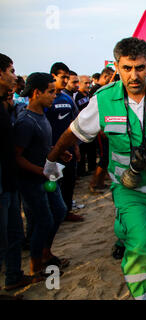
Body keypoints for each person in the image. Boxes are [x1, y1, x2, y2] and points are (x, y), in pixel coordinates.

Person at [43, 37, 146, 300]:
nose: (134, 75)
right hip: (130, 190)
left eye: (139, 67)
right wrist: (52, 159)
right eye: (127, 68)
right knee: (140, 244)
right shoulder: (103, 100)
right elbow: (74, 133)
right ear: (117, 66)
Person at [14, 72, 71, 278]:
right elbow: (17, 157)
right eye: (51, 92)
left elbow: (41, 146)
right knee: (43, 220)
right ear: (36, 93)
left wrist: (57, 150)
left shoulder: (42, 116)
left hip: (47, 176)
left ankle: (46, 253)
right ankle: (36, 264)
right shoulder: (25, 122)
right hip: (32, 182)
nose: (54, 96)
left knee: (60, 210)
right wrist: (41, 171)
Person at [0, 53, 35, 292]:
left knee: (13, 235)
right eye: (11, 70)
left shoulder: (6, 105)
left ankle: (14, 277)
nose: (15, 75)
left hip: (9, 182)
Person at [48, 62, 83, 222]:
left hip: (69, 151)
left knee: (69, 182)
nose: (65, 81)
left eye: (67, 78)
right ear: (53, 76)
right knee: (53, 183)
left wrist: (75, 146)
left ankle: (66, 211)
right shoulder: (45, 99)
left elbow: (73, 124)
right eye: (63, 77)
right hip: (53, 152)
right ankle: (53, 214)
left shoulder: (67, 98)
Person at [88, 67, 115, 193]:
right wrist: (100, 129)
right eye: (111, 77)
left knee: (107, 157)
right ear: (106, 76)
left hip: (107, 127)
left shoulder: (105, 89)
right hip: (100, 129)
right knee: (104, 158)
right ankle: (94, 183)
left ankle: (100, 182)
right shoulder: (96, 90)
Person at [75, 75, 97, 177]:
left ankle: (92, 166)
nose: (88, 85)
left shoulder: (88, 94)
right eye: (86, 83)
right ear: (79, 83)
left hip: (92, 127)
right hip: (82, 126)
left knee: (91, 148)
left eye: (89, 83)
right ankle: (81, 171)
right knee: (82, 150)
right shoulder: (77, 96)